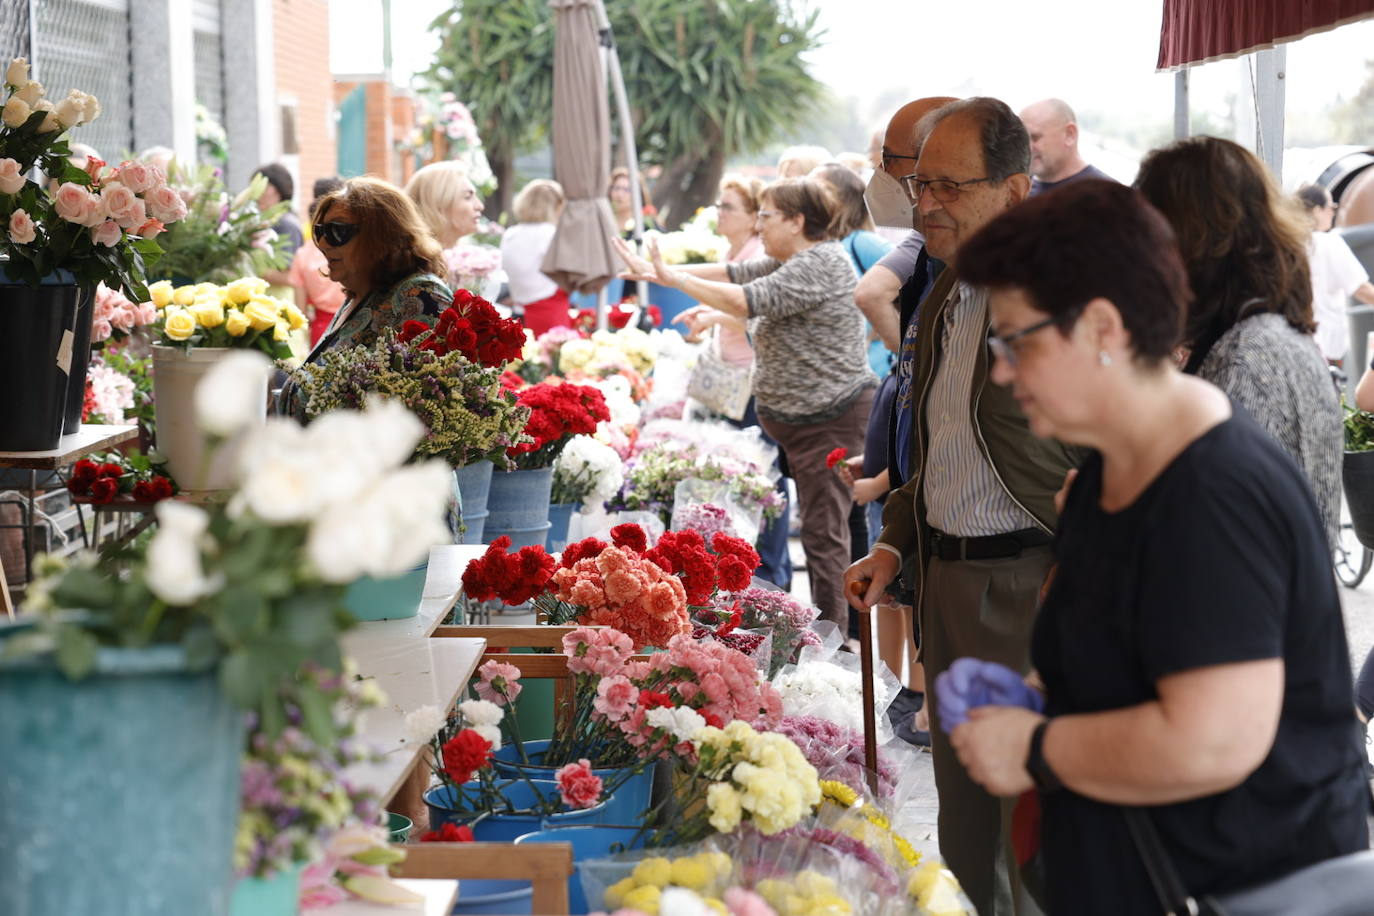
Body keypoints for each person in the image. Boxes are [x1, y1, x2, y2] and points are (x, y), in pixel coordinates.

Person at [946, 178, 1370, 915]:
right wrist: (1035, 700)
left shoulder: (1213, 490)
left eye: (1015, 342)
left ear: (1103, 329)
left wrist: (1035, 747)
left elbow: (1213, 741)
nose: (1002, 371)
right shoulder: (1112, 469)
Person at [842, 97, 1081, 916]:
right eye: (919, 185)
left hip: (1029, 586)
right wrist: (896, 545)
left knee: (1029, 834)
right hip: (946, 584)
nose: (925, 204)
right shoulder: (945, 293)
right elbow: (941, 448)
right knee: (970, 830)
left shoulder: (1059, 297)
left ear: (1013, 192)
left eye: (949, 185)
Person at [616, 177, 876, 636]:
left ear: (797, 222)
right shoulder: (793, 259)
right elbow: (735, 274)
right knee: (825, 529)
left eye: (767, 216)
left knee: (823, 532)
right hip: (805, 421)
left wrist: (675, 278)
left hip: (829, 418)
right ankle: (841, 632)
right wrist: (659, 273)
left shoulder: (818, 262)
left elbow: (744, 298)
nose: (759, 225)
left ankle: (834, 643)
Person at [1135, 138, 1341, 546]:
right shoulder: (1257, 336)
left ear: (1190, 239)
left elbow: (1219, 533)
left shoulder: (1250, 355)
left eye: (1150, 232)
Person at [674, 174, 792, 592]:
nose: (719, 213)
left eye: (728, 207)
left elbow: (756, 314)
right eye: (719, 205)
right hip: (734, 379)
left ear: (752, 218)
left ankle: (771, 573)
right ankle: (749, 569)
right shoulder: (736, 250)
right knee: (744, 476)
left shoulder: (758, 253)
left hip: (752, 381)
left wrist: (711, 315)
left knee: (763, 477)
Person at [277, 177, 453, 420]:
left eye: (338, 231)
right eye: (320, 232)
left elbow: (422, 404)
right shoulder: (359, 297)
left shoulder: (419, 295)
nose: (324, 243)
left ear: (382, 236)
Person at [810, 162, 894, 376]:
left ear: (840, 199)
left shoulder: (863, 243)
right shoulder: (814, 249)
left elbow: (914, 283)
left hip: (873, 372)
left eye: (814, 189)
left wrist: (880, 328)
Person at [1296, 183, 1374, 364]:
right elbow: (1361, 289)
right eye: (1331, 207)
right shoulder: (1328, 243)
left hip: (1295, 341)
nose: (1334, 212)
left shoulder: (1291, 242)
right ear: (1317, 210)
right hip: (1324, 345)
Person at [500, 179, 572, 337]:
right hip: (550, 309)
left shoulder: (510, 234)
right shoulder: (551, 234)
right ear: (556, 206)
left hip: (519, 308)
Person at [287, 177, 346, 345]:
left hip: (321, 327)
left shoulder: (303, 254)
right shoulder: (351, 250)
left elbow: (301, 311)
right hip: (354, 321)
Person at [1017, 99, 1112, 196]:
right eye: (1023, 138)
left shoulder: (1103, 196)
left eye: (1035, 137)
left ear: (1069, 135)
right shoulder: (1018, 187)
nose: (1027, 147)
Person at [607, 166, 659, 237]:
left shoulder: (647, 224)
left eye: (627, 190)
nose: (620, 194)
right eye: (616, 188)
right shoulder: (604, 220)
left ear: (638, 194)